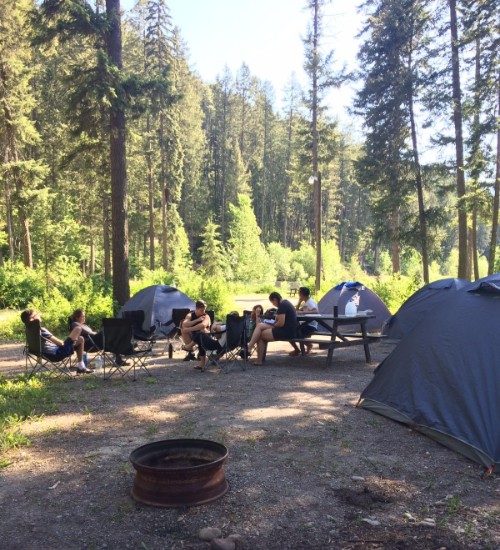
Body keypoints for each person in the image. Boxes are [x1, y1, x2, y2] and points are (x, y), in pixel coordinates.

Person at [21, 309, 91, 374]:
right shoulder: (41, 330)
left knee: (81, 339)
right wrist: (69, 341)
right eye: (36, 314)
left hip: (42, 353)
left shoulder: (28, 330)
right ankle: (81, 366)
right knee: (78, 329)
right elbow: (60, 343)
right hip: (56, 354)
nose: (39, 315)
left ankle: (81, 366)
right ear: (32, 318)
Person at [246, 292, 297, 365]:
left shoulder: (282, 306)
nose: (273, 305)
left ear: (275, 299)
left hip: (286, 331)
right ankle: (251, 350)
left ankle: (253, 352)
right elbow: (280, 320)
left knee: (260, 335)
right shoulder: (285, 303)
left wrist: (273, 324)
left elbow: (280, 323)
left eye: (273, 302)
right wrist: (274, 322)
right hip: (287, 329)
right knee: (260, 326)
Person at [181, 300, 220, 370]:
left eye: (204, 310)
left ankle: (189, 347)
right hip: (195, 337)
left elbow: (202, 325)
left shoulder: (206, 316)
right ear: (196, 309)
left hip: (206, 338)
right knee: (183, 329)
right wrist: (197, 320)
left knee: (201, 333)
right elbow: (184, 324)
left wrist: (189, 329)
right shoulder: (190, 315)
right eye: (202, 310)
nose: (203, 312)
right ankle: (190, 347)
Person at [289, 287, 318, 356]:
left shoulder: (310, 302)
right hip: (305, 324)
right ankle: (304, 348)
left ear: (301, 294)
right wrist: (299, 302)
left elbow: (316, 311)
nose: (298, 294)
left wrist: (303, 312)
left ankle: (305, 348)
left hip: (311, 325)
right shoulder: (306, 302)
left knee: (295, 331)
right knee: (291, 330)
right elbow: (296, 310)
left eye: (299, 293)